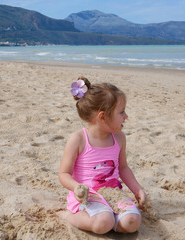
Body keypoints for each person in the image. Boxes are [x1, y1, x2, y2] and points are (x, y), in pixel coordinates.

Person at [59, 76, 147, 234]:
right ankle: (68, 216)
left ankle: (111, 220)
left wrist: (137, 190)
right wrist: (76, 187)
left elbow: (123, 168)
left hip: (113, 192)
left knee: (132, 222)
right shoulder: (78, 139)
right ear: (102, 117)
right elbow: (64, 173)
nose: (126, 116)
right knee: (104, 221)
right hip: (88, 196)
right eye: (121, 112)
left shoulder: (119, 138)